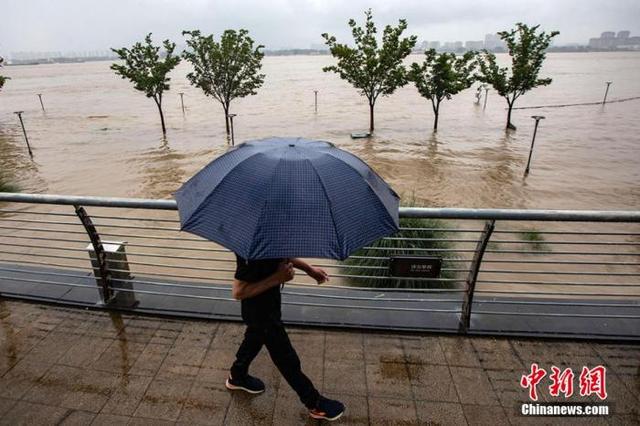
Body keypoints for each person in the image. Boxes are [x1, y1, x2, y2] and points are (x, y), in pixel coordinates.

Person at [226, 255, 345, 421]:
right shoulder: (250, 257)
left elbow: (280, 254)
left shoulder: (268, 238)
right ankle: (315, 403)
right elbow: (238, 292)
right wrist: (277, 278)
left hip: (269, 306)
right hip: (260, 313)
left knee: (254, 338)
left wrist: (309, 270)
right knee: (287, 359)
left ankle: (237, 375)